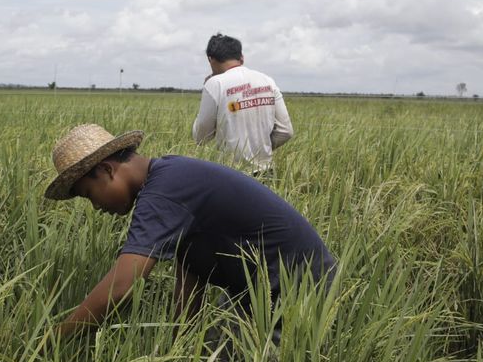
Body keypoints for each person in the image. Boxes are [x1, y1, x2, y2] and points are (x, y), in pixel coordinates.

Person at [45, 124, 335, 338]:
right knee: (205, 355)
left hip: (299, 290)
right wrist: (181, 345)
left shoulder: (162, 193)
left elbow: (122, 285)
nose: (96, 206)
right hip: (263, 288)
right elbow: (190, 273)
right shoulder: (170, 177)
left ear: (108, 171)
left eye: (89, 194)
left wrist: (55, 340)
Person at [193, 33, 294, 172]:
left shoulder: (215, 84)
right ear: (241, 58)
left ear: (211, 60)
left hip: (230, 174)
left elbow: (201, 136)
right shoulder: (267, 80)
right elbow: (286, 131)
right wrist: (260, 150)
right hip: (267, 171)